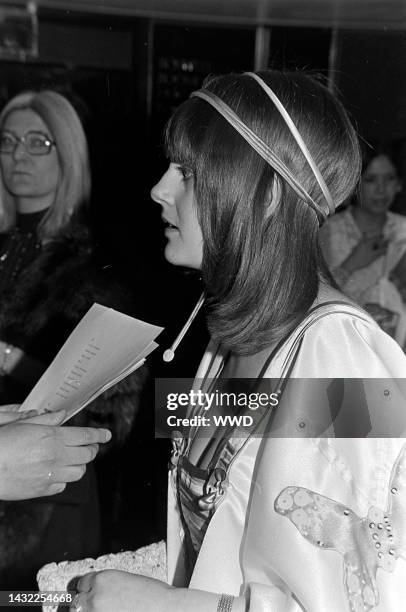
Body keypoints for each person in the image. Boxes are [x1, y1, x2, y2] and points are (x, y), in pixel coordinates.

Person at [74, 71, 406, 611]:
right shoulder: (226, 339)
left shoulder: (339, 360)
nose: (160, 189)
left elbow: (370, 597)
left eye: (189, 171)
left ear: (268, 193)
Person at [0, 90, 148, 589]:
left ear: (68, 154)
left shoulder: (92, 267)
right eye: (8, 140)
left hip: (46, 504)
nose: (18, 154)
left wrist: (12, 360)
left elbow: (113, 414)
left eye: (38, 142)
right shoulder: (3, 248)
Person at [320, 145, 406, 347]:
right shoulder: (329, 232)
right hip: (345, 346)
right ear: (355, 185)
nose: (382, 189)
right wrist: (353, 263)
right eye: (371, 179)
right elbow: (316, 300)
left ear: (399, 184)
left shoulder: (402, 230)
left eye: (389, 179)